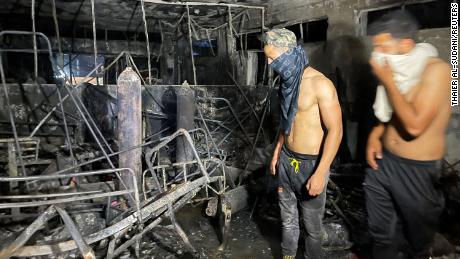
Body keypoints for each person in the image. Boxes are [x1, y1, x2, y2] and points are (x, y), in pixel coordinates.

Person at [364, 10, 451, 259]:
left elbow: (414, 126)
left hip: (416, 169)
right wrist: (376, 132)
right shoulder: (401, 67)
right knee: (381, 235)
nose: (375, 55)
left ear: (405, 43)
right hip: (384, 162)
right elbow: (392, 109)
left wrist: (387, 80)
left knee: (418, 240)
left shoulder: (437, 71)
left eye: (382, 46)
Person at [264, 28, 343, 259]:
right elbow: (287, 121)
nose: (269, 64)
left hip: (311, 165)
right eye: (267, 57)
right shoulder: (287, 83)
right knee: (287, 222)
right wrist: (277, 152)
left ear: (288, 54)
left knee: (312, 228)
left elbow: (336, 131)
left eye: (272, 58)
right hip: (287, 160)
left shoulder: (321, 85)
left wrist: (321, 172)